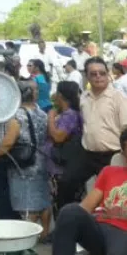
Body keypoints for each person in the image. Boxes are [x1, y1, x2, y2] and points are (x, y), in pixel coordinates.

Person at [61, 57, 127, 209]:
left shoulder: (119, 98)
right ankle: (71, 221)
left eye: (102, 73)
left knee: (111, 197)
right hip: (87, 153)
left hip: (112, 155)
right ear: (87, 76)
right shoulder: (84, 97)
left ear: (108, 75)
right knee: (66, 183)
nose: (98, 77)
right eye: (93, 74)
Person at [0, 81, 52, 239]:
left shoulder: (17, 116)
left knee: (28, 202)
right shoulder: (42, 113)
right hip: (41, 160)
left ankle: (30, 236)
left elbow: (8, 142)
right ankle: (45, 233)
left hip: (24, 164)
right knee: (43, 198)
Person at [45, 81, 85, 219]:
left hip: (62, 167)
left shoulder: (69, 115)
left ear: (60, 95)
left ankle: (63, 232)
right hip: (62, 165)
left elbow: (58, 137)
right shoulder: (69, 113)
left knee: (62, 202)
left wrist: (50, 118)